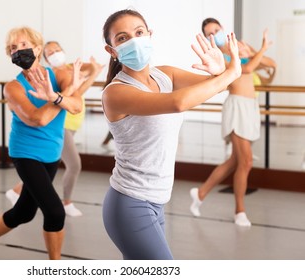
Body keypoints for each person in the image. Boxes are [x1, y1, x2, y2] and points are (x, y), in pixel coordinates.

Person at [100, 9, 241, 260]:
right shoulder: (115, 93)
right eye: (122, 38)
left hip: (156, 202)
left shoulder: (165, 75)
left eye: (139, 32)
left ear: (149, 34)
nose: (134, 40)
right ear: (111, 50)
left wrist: (219, 72)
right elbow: (178, 103)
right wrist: (232, 72)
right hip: (130, 204)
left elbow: (213, 88)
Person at [0, 26, 83, 260]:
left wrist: (57, 95)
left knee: (24, 212)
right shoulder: (13, 87)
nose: (18, 50)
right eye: (13, 48)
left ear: (38, 49)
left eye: (23, 45)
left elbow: (76, 107)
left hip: (51, 152)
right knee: (55, 212)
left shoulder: (58, 76)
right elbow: (37, 119)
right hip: (25, 152)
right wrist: (66, 93)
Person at [189, 18, 273, 227]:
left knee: (234, 162)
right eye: (210, 33)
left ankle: (199, 193)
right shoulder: (222, 57)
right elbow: (246, 70)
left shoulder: (239, 47)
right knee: (246, 162)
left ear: (223, 29)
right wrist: (259, 50)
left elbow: (269, 65)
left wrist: (254, 51)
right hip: (236, 109)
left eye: (216, 30)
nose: (215, 34)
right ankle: (239, 212)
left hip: (250, 108)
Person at [5, 41, 104, 217]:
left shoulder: (69, 69)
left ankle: (15, 191)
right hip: (62, 125)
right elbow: (75, 94)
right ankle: (66, 203)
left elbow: (79, 89)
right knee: (74, 165)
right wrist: (91, 74)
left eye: (58, 50)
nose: (55, 54)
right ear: (43, 57)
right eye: (50, 53)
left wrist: (93, 69)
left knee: (29, 202)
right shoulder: (55, 75)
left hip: (72, 123)